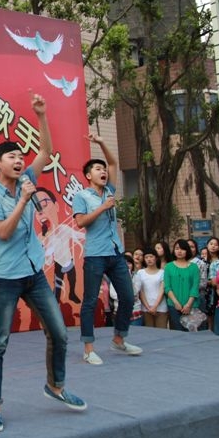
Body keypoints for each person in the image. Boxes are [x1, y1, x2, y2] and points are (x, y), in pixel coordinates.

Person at [0, 94, 86, 432]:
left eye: (20, 157)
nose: (19, 161)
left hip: (34, 273)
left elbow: (46, 152)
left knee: (60, 333)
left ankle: (55, 386)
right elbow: (3, 233)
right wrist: (23, 200)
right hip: (7, 277)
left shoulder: (27, 179)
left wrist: (41, 115)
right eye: (11, 156)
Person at [73, 134, 142, 365]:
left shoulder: (110, 190)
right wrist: (103, 207)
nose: (103, 171)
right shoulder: (82, 196)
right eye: (97, 169)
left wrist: (102, 142)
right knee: (90, 301)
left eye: (103, 169)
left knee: (128, 296)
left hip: (115, 252)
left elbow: (113, 163)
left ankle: (119, 339)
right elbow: (81, 222)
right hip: (95, 255)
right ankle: (88, 349)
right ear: (88, 175)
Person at [163, 239, 200, 332]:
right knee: (176, 333)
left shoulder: (194, 267)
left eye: (182, 249)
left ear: (187, 251)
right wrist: (176, 303)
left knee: (191, 334)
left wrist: (188, 305)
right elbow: (167, 287)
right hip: (173, 305)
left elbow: (195, 287)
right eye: (177, 248)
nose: (179, 251)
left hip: (191, 305)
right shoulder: (168, 267)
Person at [137, 248, 168, 329]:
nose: (149, 259)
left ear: (156, 258)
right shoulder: (140, 273)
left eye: (151, 257)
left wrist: (155, 306)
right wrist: (148, 307)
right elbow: (141, 291)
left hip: (161, 308)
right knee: (148, 332)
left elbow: (162, 290)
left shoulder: (162, 272)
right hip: (145, 308)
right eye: (146, 257)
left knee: (162, 332)